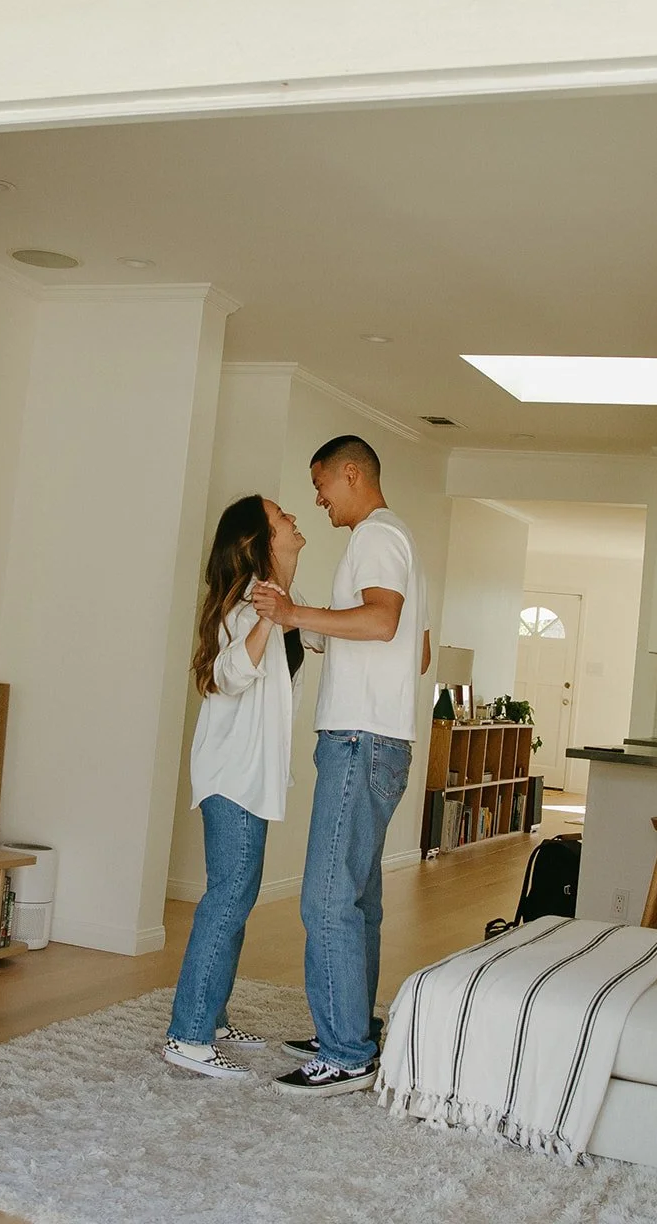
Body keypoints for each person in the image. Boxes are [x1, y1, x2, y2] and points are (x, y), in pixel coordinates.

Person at [251, 435, 430, 1098]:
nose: (318, 498)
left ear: (351, 473)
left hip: (359, 739)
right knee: (357, 897)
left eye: (321, 483)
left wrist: (293, 612)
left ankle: (346, 1052)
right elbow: (415, 648)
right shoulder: (398, 541)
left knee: (326, 897)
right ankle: (354, 1030)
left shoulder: (376, 537)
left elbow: (381, 624)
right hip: (382, 739)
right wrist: (299, 612)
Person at [164, 493, 318, 1080]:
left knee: (236, 896)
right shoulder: (246, 608)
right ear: (259, 539)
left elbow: (319, 637)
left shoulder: (277, 601)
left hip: (251, 776)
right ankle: (189, 1035)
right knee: (227, 898)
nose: (294, 519)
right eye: (282, 517)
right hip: (232, 776)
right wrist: (269, 617)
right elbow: (226, 676)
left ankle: (212, 1015)